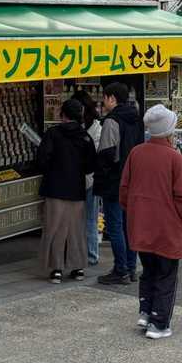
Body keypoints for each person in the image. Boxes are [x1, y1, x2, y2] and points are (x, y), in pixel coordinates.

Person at [119, 104, 182, 340]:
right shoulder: (174, 158)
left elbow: (124, 190)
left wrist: (134, 212)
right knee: (166, 274)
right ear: (169, 130)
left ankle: (145, 311)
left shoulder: (136, 153)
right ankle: (159, 323)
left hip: (141, 224)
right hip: (167, 227)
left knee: (149, 270)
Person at [36, 98, 95, 283]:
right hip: (76, 189)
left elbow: (42, 160)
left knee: (55, 228)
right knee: (76, 229)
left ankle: (56, 269)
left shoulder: (53, 134)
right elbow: (90, 165)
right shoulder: (85, 137)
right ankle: (78, 268)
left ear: (63, 114)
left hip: (54, 188)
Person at [94, 81, 145, 286]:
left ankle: (120, 270)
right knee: (128, 226)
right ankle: (131, 269)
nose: (103, 102)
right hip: (133, 179)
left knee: (115, 227)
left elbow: (107, 153)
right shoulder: (137, 118)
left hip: (115, 181)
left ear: (112, 98)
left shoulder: (111, 121)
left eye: (104, 98)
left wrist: (101, 174)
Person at [74, 88, 102, 266]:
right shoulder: (98, 127)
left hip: (81, 178)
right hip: (91, 178)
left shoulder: (82, 129)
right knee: (91, 218)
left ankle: (85, 253)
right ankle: (92, 254)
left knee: (79, 218)